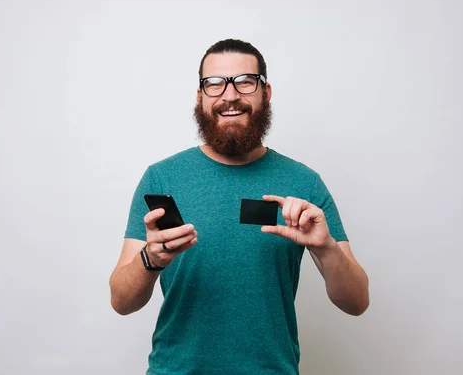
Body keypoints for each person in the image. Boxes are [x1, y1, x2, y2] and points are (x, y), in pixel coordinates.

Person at [109, 38, 369, 374]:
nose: (230, 96)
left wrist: (328, 249)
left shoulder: (304, 183)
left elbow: (356, 302)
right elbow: (121, 301)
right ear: (200, 96)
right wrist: (149, 260)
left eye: (245, 82)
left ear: (266, 92)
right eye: (214, 84)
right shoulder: (162, 179)